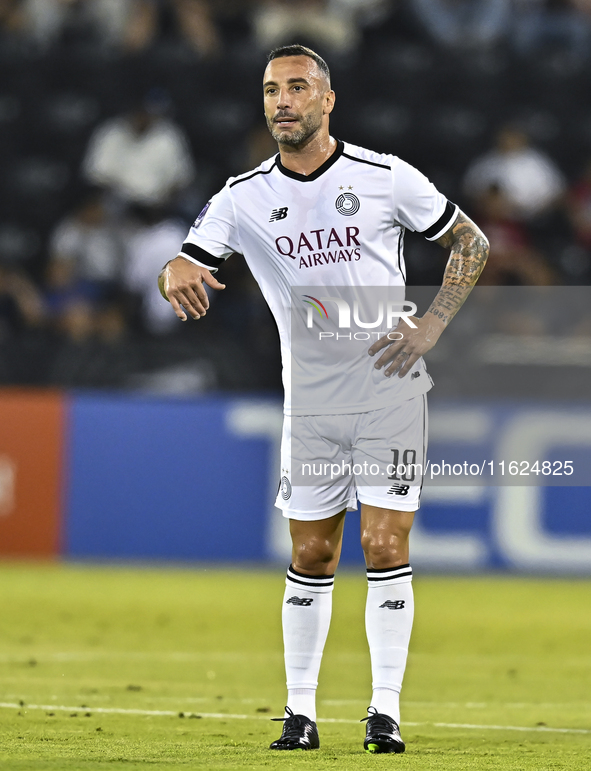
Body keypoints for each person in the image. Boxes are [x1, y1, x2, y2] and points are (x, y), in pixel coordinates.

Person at [158, 44, 489, 754]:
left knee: (382, 541)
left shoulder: (383, 176)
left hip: (389, 390)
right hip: (309, 404)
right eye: (272, 89)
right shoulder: (242, 195)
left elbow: (469, 240)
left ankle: (383, 710)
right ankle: (300, 712)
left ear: (327, 100)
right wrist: (173, 268)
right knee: (310, 552)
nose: (282, 100)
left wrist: (432, 323)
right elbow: (189, 256)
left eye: (298, 87)